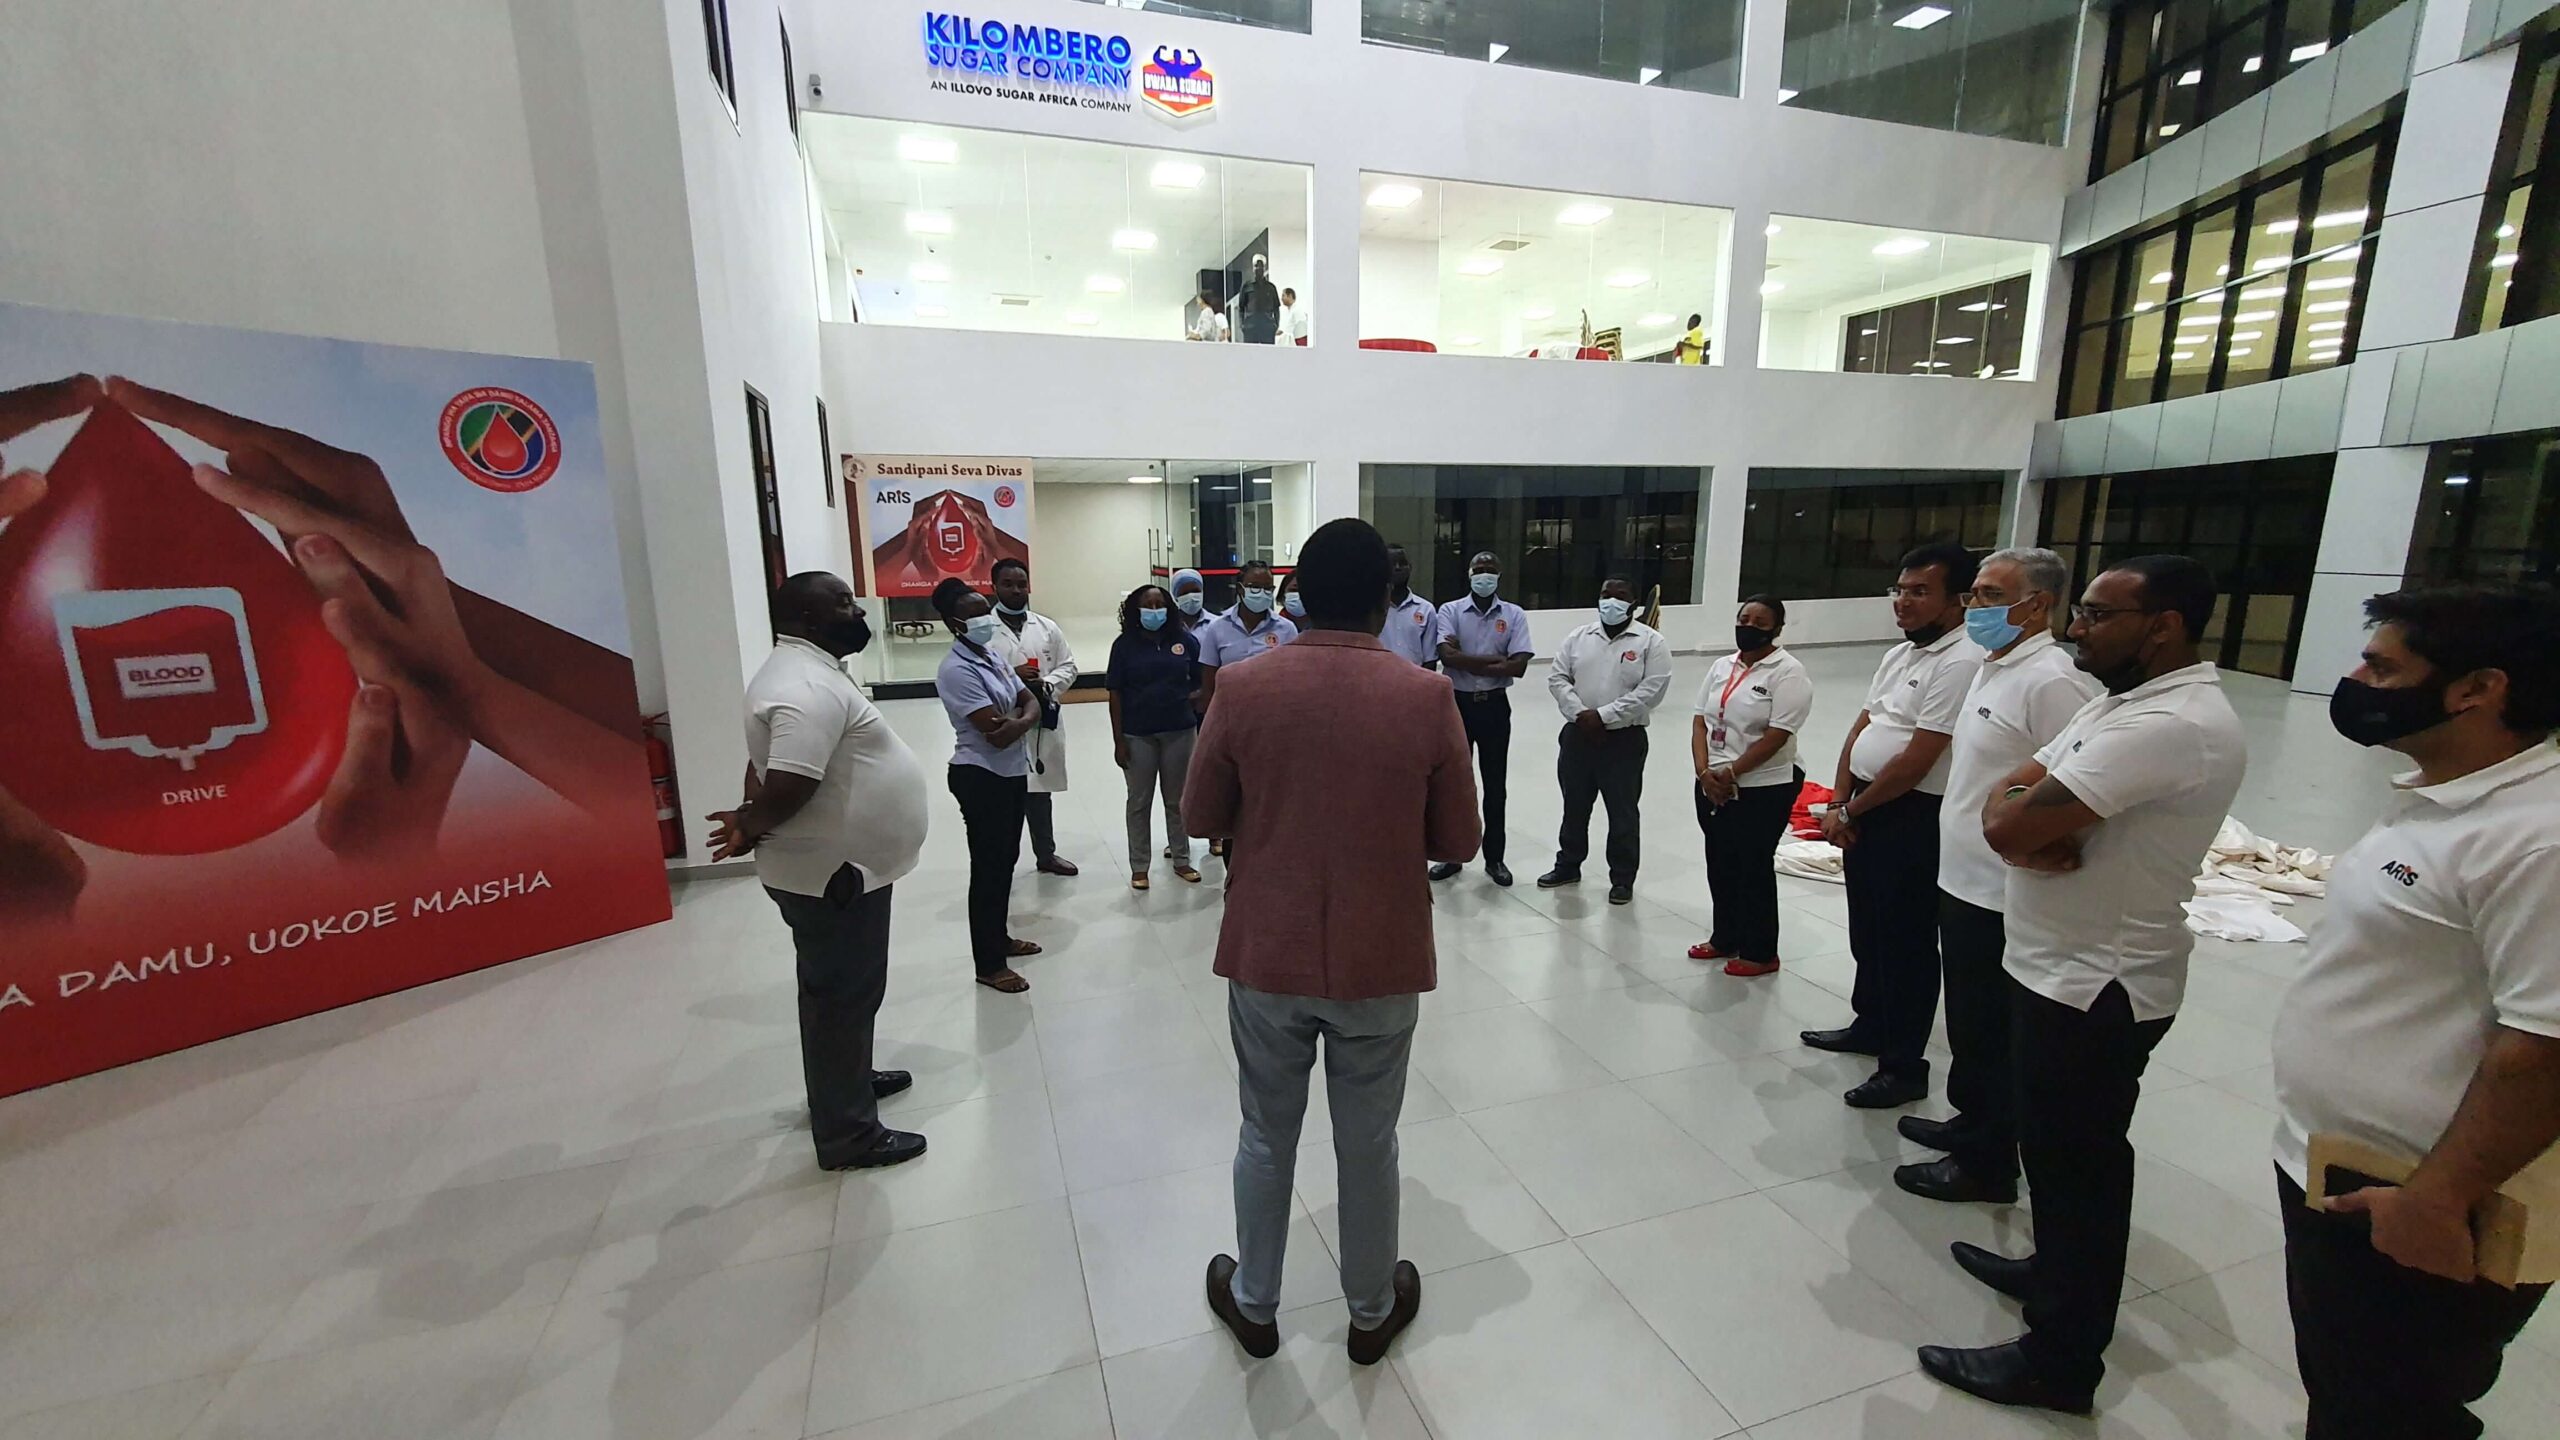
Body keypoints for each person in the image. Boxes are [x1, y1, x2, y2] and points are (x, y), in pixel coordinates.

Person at [1919, 555, 2246, 1416]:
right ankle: (2050, 1271)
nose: (2076, 627)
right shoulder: (2115, 704)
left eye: (2098, 614)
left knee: (2082, 1169)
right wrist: (2020, 811)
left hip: (2100, 982)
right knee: (2056, 1161)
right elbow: (2010, 794)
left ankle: (2060, 1360)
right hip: (2055, 967)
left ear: (2164, 625)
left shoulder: (2169, 724)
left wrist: (2019, 815)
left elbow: (2008, 821)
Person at [1188, 517, 1480, 1368]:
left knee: (1264, 1134)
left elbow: (1201, 815)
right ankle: (1370, 1311)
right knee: (1369, 1142)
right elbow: (1458, 840)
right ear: (1387, 599)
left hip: (1267, 952)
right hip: (1380, 957)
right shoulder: (1425, 696)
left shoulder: (1244, 686)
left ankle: (1254, 1304)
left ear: (1298, 598)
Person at [2271, 582, 2560, 1440]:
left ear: (2479, 689)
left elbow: (2545, 1050)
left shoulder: (2538, 838)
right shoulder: (2447, 794)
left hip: (2421, 1196)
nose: (2357, 681)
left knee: (2393, 1410)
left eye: (2382, 667)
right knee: (2346, 1388)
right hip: (2348, 1169)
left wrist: (2435, 1202)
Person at [707, 573, 930, 1171]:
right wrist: (750, 822)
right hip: (835, 873)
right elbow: (790, 780)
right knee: (841, 998)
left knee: (845, 993)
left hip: (840, 868)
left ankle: (845, 1084)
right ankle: (848, 1133)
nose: (858, 611)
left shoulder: (810, 671)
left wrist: (750, 813)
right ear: (807, 619)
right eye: (843, 603)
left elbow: (765, 765)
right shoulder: (805, 684)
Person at [1897, 549, 2098, 1205]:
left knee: (1991, 1028)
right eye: (1974, 595)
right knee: (1968, 1021)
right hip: (1962, 878)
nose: (1973, 607)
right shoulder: (1995, 665)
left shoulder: (2052, 681)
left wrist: (2045, 846)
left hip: (2000, 891)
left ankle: (1987, 1163)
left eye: (1987, 596)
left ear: (2037, 605)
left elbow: (2075, 784)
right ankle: (1969, 1123)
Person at [1802, 541, 1985, 1109]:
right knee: (1869, 928)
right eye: (1899, 590)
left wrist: (1852, 811)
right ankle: (1871, 1024)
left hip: (1912, 816)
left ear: (1958, 600)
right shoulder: (1902, 654)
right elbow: (1861, 729)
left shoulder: (1962, 660)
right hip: (1865, 804)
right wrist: (1839, 801)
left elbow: (1918, 760)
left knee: (1906, 942)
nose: (1903, 602)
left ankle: (1903, 1065)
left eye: (1919, 591)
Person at [1689, 595, 1814, 976]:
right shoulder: (1721, 666)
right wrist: (1704, 772)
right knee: (1720, 860)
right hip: (1712, 780)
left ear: (1777, 629)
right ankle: (1725, 936)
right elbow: (1700, 721)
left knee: (1752, 865)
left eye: (1760, 622)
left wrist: (1731, 773)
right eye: (1744, 618)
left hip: (1763, 785)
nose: (1749, 627)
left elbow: (1777, 735)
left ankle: (1760, 952)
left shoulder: (1788, 672)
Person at [931, 577, 1044, 994]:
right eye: (975, 614)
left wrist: (1021, 719)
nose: (985, 619)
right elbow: (993, 731)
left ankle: (999, 938)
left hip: (1010, 772)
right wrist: (1023, 718)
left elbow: (1028, 699)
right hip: (981, 776)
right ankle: (989, 964)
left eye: (985, 610)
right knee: (988, 870)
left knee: (1005, 862)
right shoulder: (955, 669)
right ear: (954, 623)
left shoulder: (990, 655)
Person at [1538, 577, 1671, 905]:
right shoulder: (1578, 637)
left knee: (1622, 811)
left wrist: (1604, 716)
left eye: (1620, 595)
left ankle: (1622, 879)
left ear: (1634, 603)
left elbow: (1652, 690)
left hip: (1624, 741)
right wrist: (1581, 714)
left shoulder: (1650, 642)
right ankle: (1568, 865)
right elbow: (1557, 678)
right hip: (1578, 736)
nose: (1611, 601)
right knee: (1574, 805)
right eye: (1605, 595)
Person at [1433, 552, 1533, 887]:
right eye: (1479, 570)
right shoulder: (1450, 611)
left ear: (1499, 575)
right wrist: (1496, 661)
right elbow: (1447, 657)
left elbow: (1519, 665)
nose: (1484, 576)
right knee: (1453, 784)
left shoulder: (1513, 614)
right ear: (1469, 574)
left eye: (1490, 570)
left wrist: (1466, 659)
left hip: (1494, 707)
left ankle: (1495, 858)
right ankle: (1452, 854)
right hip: (1457, 705)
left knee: (1495, 786)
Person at [1106, 584, 1204, 891]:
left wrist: (1189, 699)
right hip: (1137, 734)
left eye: (1159, 604)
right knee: (1139, 801)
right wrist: (1118, 740)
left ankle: (1182, 859)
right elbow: (1114, 694)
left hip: (1179, 731)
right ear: (1135, 610)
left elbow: (1202, 681)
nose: (1154, 611)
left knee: (1177, 800)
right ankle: (1139, 867)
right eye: (1147, 605)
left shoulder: (1185, 641)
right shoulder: (1124, 646)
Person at [985, 557, 1079, 878]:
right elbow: (974, 675)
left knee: (1039, 792)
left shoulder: (1047, 627)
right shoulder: (984, 630)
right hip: (1002, 720)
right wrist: (1013, 676)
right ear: (994, 587)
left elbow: (1068, 666)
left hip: (1041, 721)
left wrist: (1047, 684)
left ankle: (1046, 855)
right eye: (1008, 584)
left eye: (1021, 584)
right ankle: (1001, 863)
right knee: (1003, 798)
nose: (1016, 590)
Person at [1195, 559, 1299, 709]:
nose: (1262, 593)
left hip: (1272, 711)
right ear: (1240, 589)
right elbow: (1209, 684)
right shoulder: (1217, 628)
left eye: (1267, 588)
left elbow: (1293, 678)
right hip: (1229, 711)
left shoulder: (1287, 629)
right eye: (1255, 587)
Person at [1377, 543, 1439, 667]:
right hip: (1378, 676)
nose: (1397, 567)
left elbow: (1430, 660)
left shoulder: (1426, 609)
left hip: (1415, 677)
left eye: (1402, 563)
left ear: (1410, 568)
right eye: (1392, 564)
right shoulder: (1372, 608)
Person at [1235, 255, 1282, 345]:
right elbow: (1241, 307)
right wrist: (1242, 325)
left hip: (1267, 327)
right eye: (1256, 266)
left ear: (1264, 268)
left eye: (1261, 266)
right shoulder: (1246, 286)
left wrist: (1276, 325)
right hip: (1250, 328)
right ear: (1253, 268)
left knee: (1268, 352)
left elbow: (1276, 308)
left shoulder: (1271, 287)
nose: (1258, 268)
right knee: (1250, 352)